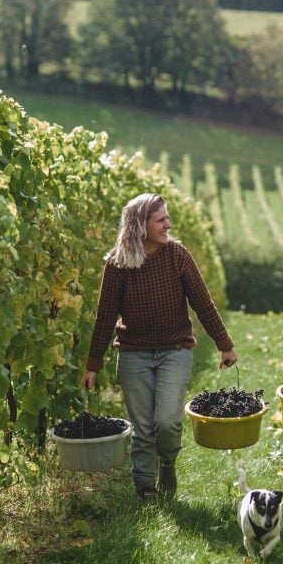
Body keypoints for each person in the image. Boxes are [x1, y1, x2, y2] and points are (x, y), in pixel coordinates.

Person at [80, 193, 237, 501]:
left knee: (166, 421)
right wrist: (93, 364)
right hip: (133, 353)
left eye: (167, 218)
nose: (168, 224)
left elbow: (202, 302)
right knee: (142, 427)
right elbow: (105, 316)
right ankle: (145, 488)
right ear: (140, 225)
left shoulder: (177, 255)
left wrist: (225, 345)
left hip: (174, 350)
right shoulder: (117, 265)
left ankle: (167, 461)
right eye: (161, 219)